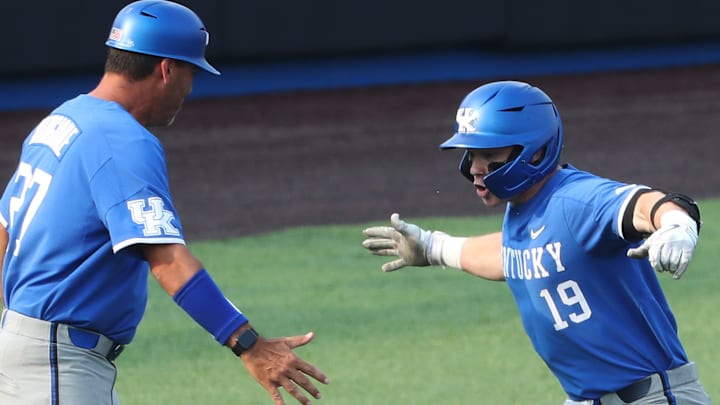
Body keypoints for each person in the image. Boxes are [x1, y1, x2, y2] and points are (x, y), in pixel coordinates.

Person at [0, 1, 328, 404]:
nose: (189, 89)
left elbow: (4, 229)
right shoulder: (121, 140)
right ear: (166, 69)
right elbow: (168, 261)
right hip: (56, 365)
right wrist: (249, 344)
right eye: (191, 73)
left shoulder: (61, 120)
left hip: (26, 347)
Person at [361, 80, 711, 404]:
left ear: (537, 152)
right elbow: (512, 256)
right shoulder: (524, 210)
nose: (476, 168)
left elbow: (644, 204)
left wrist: (677, 222)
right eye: (471, 154)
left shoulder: (575, 200)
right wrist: (436, 248)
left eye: (491, 154)